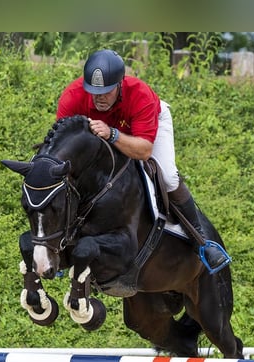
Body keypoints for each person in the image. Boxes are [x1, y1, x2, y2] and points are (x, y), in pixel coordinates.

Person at [56, 49, 231, 274]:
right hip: (106, 133)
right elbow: (64, 142)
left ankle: (202, 242)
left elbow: (144, 151)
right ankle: (59, 246)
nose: (99, 97)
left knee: (167, 176)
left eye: (107, 91)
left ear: (120, 83)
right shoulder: (73, 96)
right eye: (94, 91)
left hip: (144, 131)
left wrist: (112, 134)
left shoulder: (140, 94)